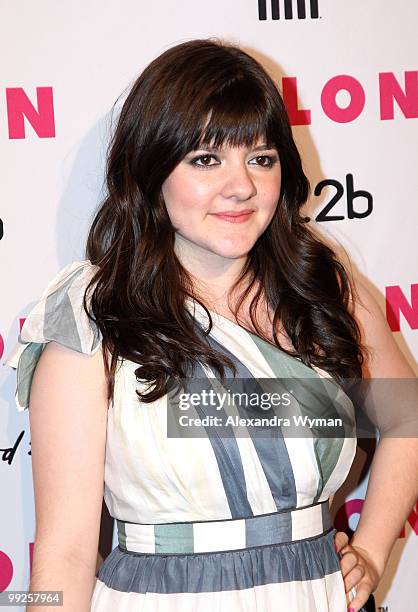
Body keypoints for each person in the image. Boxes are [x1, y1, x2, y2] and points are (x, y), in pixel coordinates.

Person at [4, 38, 418, 612]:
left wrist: (371, 551)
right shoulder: (93, 316)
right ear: (151, 169)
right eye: (206, 159)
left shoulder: (320, 287)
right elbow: (64, 556)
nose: (241, 185)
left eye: (261, 157)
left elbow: (408, 417)